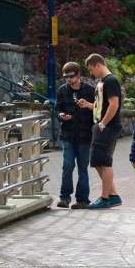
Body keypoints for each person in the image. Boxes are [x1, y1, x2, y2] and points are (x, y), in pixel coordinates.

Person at [76, 53, 122, 210]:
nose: (91, 73)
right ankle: (113, 195)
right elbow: (101, 105)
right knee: (96, 161)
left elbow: (114, 104)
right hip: (101, 126)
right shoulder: (103, 82)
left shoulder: (111, 80)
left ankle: (105, 197)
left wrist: (103, 123)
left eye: (91, 69)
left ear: (98, 65)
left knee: (104, 161)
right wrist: (89, 105)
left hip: (107, 127)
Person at [54, 61, 95, 209]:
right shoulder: (61, 91)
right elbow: (57, 110)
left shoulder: (90, 91)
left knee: (83, 168)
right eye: (66, 77)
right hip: (68, 135)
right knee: (67, 166)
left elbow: (97, 111)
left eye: (71, 76)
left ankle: (82, 200)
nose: (69, 80)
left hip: (85, 135)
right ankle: (65, 198)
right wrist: (61, 115)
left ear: (79, 75)